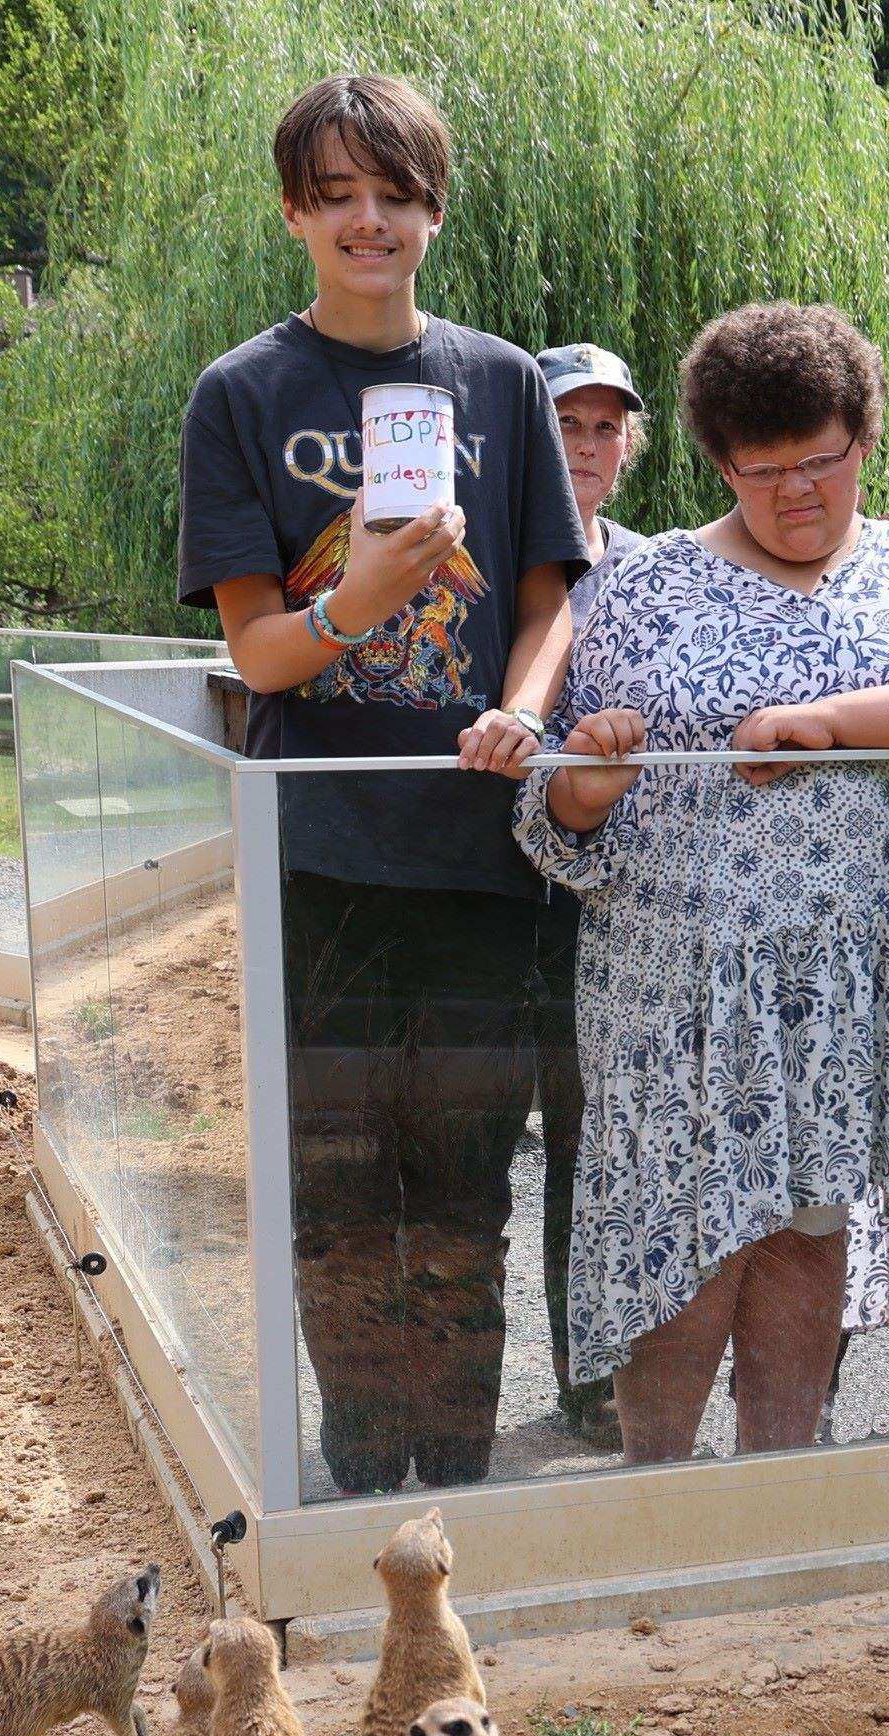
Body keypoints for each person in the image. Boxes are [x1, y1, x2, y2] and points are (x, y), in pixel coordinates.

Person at [516, 302, 889, 1463]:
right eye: (764, 472)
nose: (798, 492)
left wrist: (837, 723)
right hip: (679, 1004)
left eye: (824, 461)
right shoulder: (645, 588)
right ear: (719, 460)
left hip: (848, 998)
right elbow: (544, 806)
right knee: (687, 1243)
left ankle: (778, 1495)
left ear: (864, 437)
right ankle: (659, 1499)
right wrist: (584, 791)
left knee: (808, 1238)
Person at [177, 74, 588, 1495]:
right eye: (339, 193)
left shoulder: (506, 383)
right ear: (295, 211)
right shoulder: (243, 393)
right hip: (320, 851)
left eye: (395, 193)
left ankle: (454, 1481)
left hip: (483, 855)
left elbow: (548, 602)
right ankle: (359, 1480)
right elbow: (258, 652)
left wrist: (523, 715)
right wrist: (359, 600)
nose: (369, 219)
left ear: (431, 210)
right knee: (339, 1185)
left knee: (467, 1180)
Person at [532, 340, 650, 1447]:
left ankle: (599, 1375)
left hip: (610, 898)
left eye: (605, 427)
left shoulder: (656, 568)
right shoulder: (470, 552)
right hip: (494, 890)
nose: (586, 445)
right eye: (565, 423)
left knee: (596, 1133)